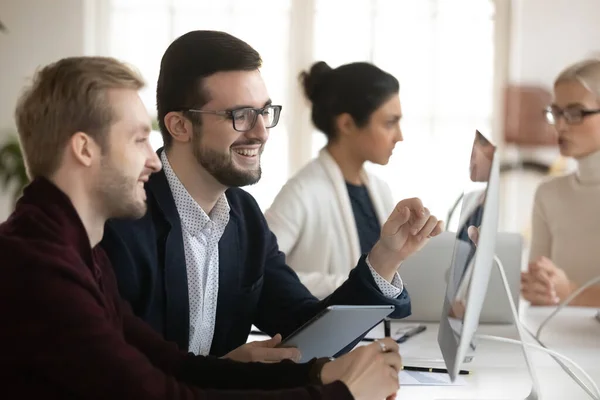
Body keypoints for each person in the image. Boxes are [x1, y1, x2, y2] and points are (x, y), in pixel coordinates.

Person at [0, 55, 405, 400]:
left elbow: (180, 367)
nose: (153, 160)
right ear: (85, 149)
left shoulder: (78, 252)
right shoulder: (41, 266)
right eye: (139, 139)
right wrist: (340, 393)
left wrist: (317, 376)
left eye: (264, 113)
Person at [101, 30, 443, 362]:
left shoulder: (244, 216)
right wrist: (227, 374)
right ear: (179, 126)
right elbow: (117, 367)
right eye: (241, 115)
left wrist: (385, 258)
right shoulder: (122, 217)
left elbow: (305, 328)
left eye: (264, 111)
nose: (262, 132)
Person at [264, 61, 403, 299]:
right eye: (390, 123)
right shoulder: (301, 192)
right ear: (347, 124)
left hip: (376, 331)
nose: (399, 136)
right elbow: (259, 272)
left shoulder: (381, 190)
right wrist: (355, 285)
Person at [523, 58, 600, 307]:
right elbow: (538, 285)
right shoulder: (548, 193)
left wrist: (569, 292)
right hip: (553, 340)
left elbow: (563, 293)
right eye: (556, 113)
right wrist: (537, 289)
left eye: (575, 113)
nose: (561, 125)